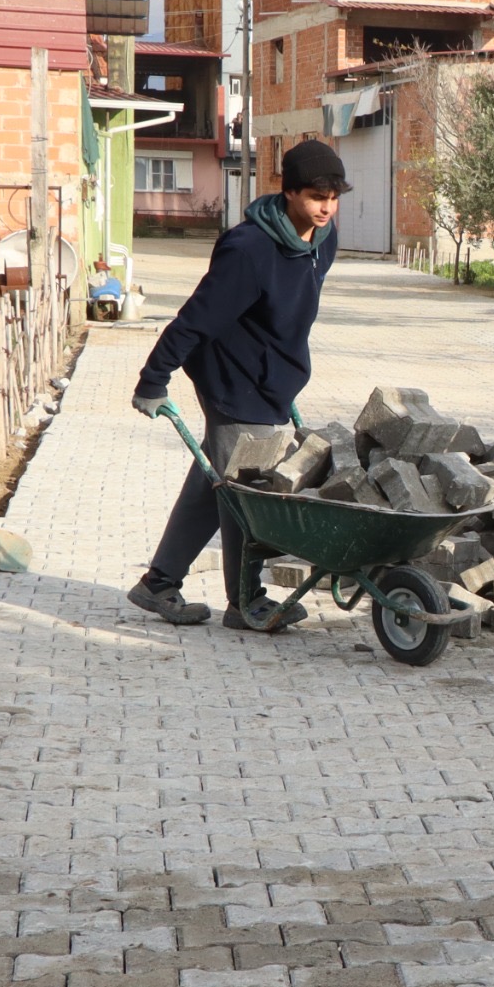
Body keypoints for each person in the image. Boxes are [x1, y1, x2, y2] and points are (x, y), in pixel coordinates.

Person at [129, 139, 348, 629]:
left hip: (272, 379)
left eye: (334, 197)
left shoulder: (322, 238)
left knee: (218, 481)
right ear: (289, 192)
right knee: (244, 492)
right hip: (232, 379)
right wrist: (153, 379)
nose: (327, 208)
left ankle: (158, 583)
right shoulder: (248, 249)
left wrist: (286, 374)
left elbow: (289, 313)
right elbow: (195, 318)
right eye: (317, 197)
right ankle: (246, 601)